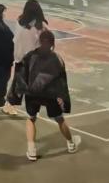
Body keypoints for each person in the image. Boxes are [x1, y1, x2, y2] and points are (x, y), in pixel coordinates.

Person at [8, 29, 81, 161]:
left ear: (40, 41)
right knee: (59, 119)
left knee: (31, 118)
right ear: (53, 43)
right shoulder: (57, 59)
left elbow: (20, 75)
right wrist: (63, 99)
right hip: (50, 95)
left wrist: (16, 95)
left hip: (32, 93)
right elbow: (61, 81)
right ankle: (71, 143)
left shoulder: (30, 56)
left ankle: (31, 150)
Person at [4, 0, 48, 115]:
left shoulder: (20, 21)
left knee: (19, 82)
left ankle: (10, 104)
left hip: (20, 56)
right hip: (32, 59)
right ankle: (26, 107)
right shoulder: (40, 26)